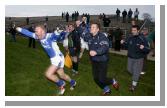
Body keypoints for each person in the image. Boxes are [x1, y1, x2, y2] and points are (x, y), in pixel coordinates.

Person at [16, 25, 76, 95]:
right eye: (35, 31)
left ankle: (61, 84)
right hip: (56, 58)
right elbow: (28, 33)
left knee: (48, 74)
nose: (35, 32)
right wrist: (19, 29)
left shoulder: (49, 36)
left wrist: (57, 32)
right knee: (62, 75)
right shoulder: (38, 36)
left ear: (43, 31)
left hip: (57, 58)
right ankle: (73, 82)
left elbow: (55, 36)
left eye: (37, 31)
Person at [83, 22, 119, 95]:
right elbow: (83, 36)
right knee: (96, 79)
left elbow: (105, 46)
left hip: (102, 60)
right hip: (94, 60)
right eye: (91, 27)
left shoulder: (102, 36)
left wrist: (96, 52)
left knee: (102, 79)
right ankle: (107, 90)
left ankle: (113, 81)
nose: (91, 28)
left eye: (93, 27)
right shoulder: (89, 36)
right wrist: (79, 26)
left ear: (98, 29)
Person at [120, 25, 150, 92]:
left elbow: (148, 49)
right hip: (130, 57)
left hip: (139, 59)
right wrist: (123, 43)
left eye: (134, 30)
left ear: (138, 30)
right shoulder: (130, 37)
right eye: (132, 30)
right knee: (129, 70)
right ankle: (136, 75)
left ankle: (133, 86)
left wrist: (144, 48)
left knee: (136, 73)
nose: (133, 32)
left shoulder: (143, 38)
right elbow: (126, 46)